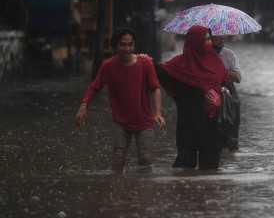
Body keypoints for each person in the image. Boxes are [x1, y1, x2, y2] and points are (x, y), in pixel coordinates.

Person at [75, 27, 165, 172]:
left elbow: (155, 88)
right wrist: (84, 105)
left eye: (130, 44)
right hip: (121, 122)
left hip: (144, 121)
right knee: (118, 159)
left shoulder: (145, 63)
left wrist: (158, 113)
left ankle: (146, 191)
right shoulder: (108, 66)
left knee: (145, 159)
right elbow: (94, 87)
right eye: (123, 44)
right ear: (115, 46)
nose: (127, 48)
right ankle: (118, 189)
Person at [157, 26, 229, 170]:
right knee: (184, 166)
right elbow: (162, 75)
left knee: (210, 168)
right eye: (205, 40)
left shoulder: (216, 62)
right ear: (194, 42)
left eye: (209, 39)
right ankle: (185, 191)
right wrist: (145, 61)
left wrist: (218, 97)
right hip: (187, 123)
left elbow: (224, 82)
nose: (209, 43)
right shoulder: (179, 64)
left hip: (211, 123)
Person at [211, 35, 242, 151]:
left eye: (222, 37)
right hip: (209, 89)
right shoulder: (201, 54)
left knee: (235, 110)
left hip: (227, 89)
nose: (222, 39)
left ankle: (232, 145)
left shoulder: (229, 54)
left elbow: (238, 78)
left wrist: (221, 70)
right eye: (217, 37)